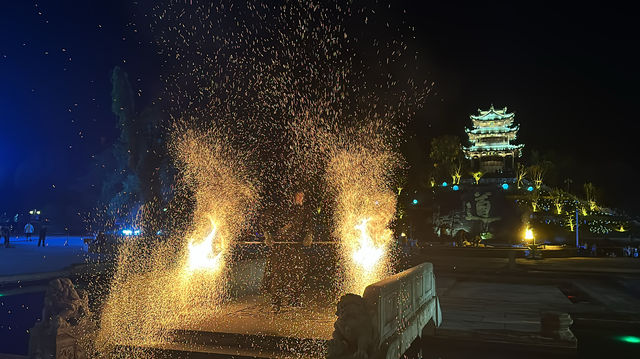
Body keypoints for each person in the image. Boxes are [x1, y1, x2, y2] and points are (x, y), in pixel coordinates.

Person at [262, 190, 314, 313]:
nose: (300, 199)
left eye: (302, 196)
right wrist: (267, 234)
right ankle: (276, 302)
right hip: (280, 247)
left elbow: (309, 224)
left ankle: (294, 299)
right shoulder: (280, 209)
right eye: (298, 196)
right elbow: (267, 222)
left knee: (297, 274)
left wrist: (309, 234)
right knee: (278, 275)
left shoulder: (304, 210)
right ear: (292, 196)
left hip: (295, 246)